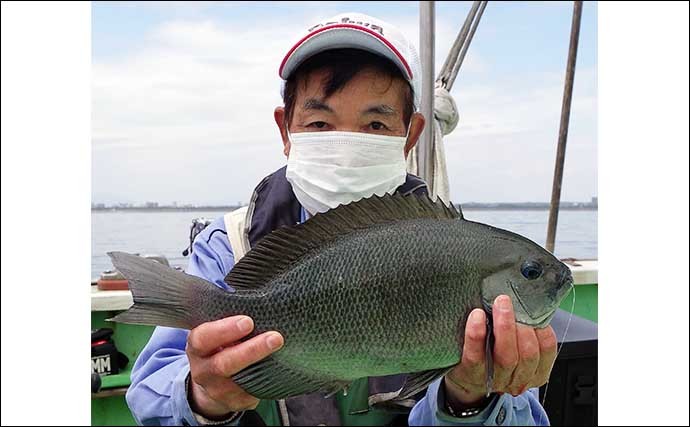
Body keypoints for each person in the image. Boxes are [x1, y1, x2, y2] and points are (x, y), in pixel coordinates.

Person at [126, 12, 558, 426]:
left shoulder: (449, 244)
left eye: (374, 124)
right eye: (318, 123)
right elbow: (150, 390)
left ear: (411, 136)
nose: (346, 143)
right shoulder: (230, 244)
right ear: (285, 130)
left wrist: (469, 398)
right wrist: (205, 397)